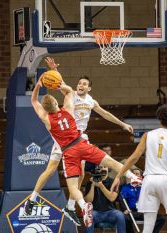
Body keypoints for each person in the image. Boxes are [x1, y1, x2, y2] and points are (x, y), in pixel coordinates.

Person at [24, 57, 134, 226]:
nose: (81, 85)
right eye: (79, 83)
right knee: (50, 170)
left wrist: (122, 124)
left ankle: (70, 206)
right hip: (63, 140)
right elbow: (62, 87)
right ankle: (33, 199)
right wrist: (55, 73)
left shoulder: (91, 101)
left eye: (84, 84)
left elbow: (105, 114)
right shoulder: (71, 97)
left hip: (79, 139)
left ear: (89, 88)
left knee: (81, 175)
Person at [111, 104, 167, 233]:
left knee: (148, 226)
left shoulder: (148, 135)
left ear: (159, 118)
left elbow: (134, 157)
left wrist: (119, 175)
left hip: (149, 180)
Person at [120, 168, 165, 233]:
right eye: (133, 174)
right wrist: (125, 209)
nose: (135, 175)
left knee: (161, 219)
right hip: (131, 212)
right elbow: (122, 200)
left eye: (137, 174)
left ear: (141, 176)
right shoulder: (126, 187)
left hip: (144, 212)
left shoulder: (145, 187)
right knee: (124, 218)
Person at [84, 166, 126, 233]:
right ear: (97, 170)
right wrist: (92, 185)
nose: (103, 169)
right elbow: (88, 201)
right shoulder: (90, 182)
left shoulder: (113, 182)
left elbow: (112, 198)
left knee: (120, 215)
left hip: (110, 212)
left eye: (105, 167)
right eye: (100, 167)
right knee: (89, 216)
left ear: (108, 168)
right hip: (95, 212)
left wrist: (101, 186)